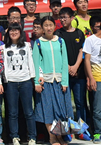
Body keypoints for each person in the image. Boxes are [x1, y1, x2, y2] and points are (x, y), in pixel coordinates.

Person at [32, 17, 72, 145]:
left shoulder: (60, 41)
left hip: (59, 81)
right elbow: (36, 63)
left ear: (55, 26)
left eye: (51, 25)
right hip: (46, 82)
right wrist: (36, 82)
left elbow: (65, 61)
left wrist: (64, 81)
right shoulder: (38, 43)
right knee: (48, 110)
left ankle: (60, 136)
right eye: (46, 25)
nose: (48, 28)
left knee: (61, 110)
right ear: (42, 28)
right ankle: (52, 137)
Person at [3, 24, 36, 145]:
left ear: (21, 32)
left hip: (25, 81)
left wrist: (33, 78)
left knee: (28, 112)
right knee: (12, 112)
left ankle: (32, 137)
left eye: (16, 30)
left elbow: (31, 62)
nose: (14, 32)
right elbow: (3, 65)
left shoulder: (27, 46)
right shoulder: (4, 48)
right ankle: (14, 137)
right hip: (11, 82)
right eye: (11, 30)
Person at [55, 7, 88, 126]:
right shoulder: (58, 34)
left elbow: (81, 51)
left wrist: (75, 66)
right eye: (61, 17)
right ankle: (67, 127)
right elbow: (58, 53)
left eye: (65, 17)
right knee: (65, 102)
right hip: (64, 75)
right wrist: (68, 67)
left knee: (80, 102)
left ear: (72, 18)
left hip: (79, 74)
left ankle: (82, 127)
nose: (62, 20)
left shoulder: (79, 33)